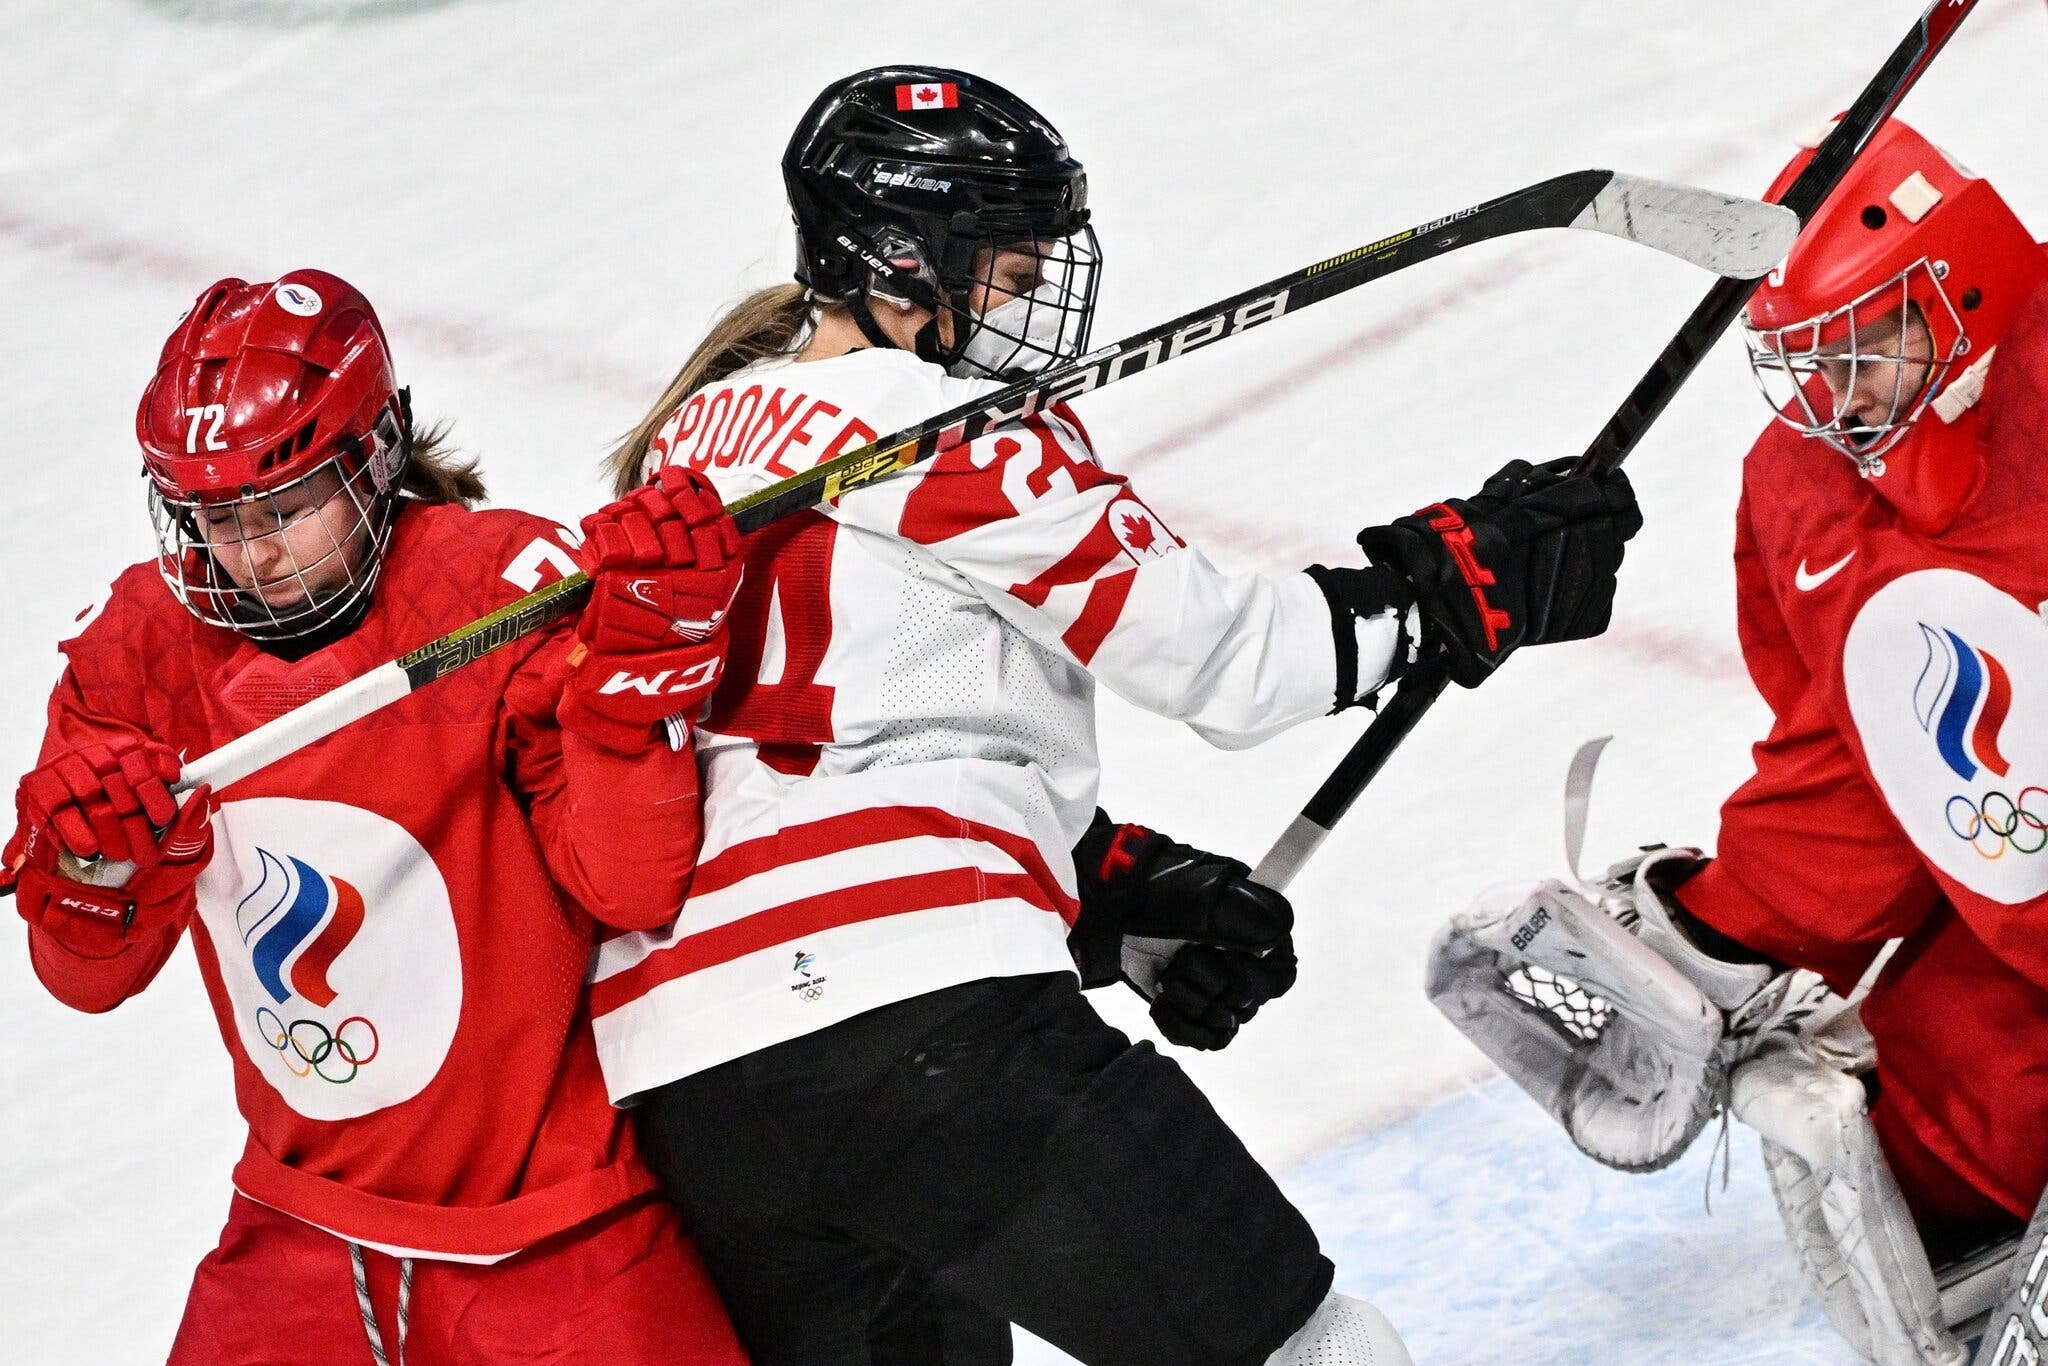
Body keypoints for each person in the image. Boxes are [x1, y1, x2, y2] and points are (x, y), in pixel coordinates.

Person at [589, 66, 1642, 1366]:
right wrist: (1450, 580)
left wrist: (1106, 897)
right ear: (904, 256)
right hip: (923, 1025)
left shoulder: (683, 450)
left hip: (694, 1092)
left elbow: (800, 752)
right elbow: (1232, 662)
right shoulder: (942, 427)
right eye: (1012, 267)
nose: (1035, 303)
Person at [3, 269, 749, 1365]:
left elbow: (627, 883)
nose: (247, 555)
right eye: (211, 516)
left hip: (562, 1241)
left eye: (283, 507)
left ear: (381, 447)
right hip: (295, 1232)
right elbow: (87, 979)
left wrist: (639, 680)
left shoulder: (498, 590)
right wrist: (92, 872)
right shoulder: (141, 650)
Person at [1426, 118, 2048, 1365]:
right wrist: (1726, 922)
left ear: (1961, 289)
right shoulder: (1803, 487)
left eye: (1866, 352)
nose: (1839, 397)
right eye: (1814, 364)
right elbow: (1858, 760)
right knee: (1944, 1110)